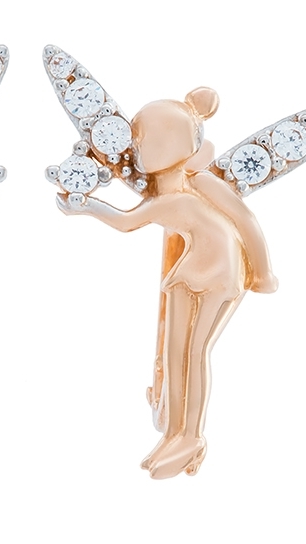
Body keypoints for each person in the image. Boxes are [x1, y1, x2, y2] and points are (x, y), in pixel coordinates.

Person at [58, 88, 277, 478]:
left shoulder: (200, 183)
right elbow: (133, 219)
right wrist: (86, 204)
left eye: (145, 140)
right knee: (177, 353)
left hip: (220, 273)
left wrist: (261, 273)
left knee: (195, 352)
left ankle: (191, 436)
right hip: (187, 271)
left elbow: (245, 221)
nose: (137, 149)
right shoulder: (163, 193)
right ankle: (174, 433)